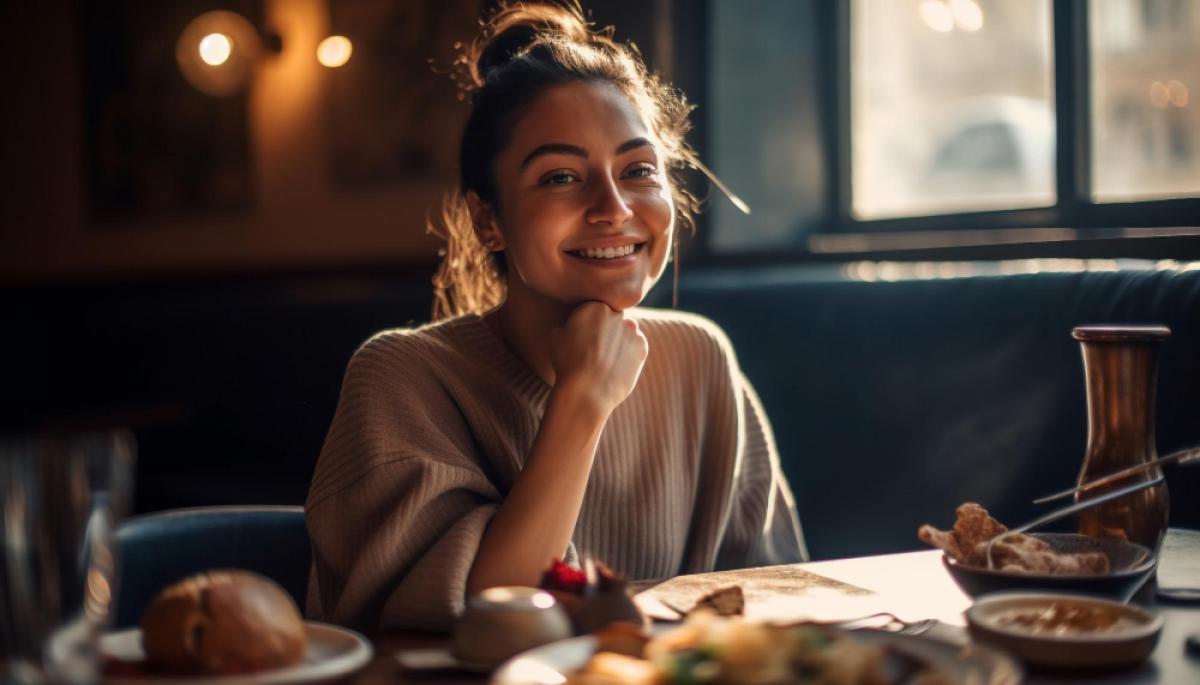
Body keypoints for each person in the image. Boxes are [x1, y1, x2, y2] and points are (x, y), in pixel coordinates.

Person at [305, 1, 806, 632]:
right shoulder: (401, 378)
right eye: (562, 176)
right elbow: (473, 628)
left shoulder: (702, 360)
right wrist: (582, 400)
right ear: (488, 219)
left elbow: (781, 606)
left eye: (639, 170)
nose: (614, 206)